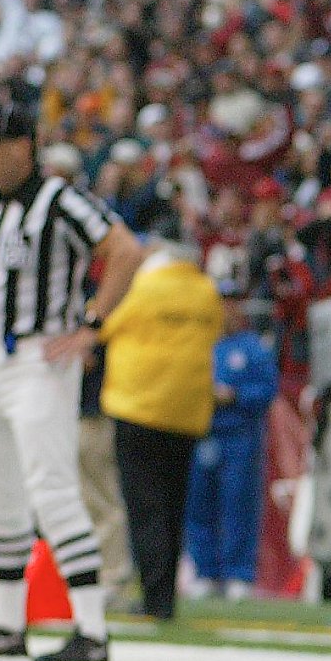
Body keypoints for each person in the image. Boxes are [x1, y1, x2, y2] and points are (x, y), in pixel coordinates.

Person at [0, 87, 146, 661]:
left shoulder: (60, 199)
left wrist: (90, 325)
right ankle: (6, 625)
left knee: (52, 489)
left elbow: (125, 251)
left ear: (22, 147)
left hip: (39, 359)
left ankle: (92, 630)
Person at [97, 241, 224, 621]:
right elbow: (215, 333)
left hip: (139, 406)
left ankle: (153, 598)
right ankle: (165, 596)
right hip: (187, 411)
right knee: (173, 507)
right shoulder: (206, 292)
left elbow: (106, 327)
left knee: (144, 508)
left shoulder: (144, 287)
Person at [186, 296, 279, 602]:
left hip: (240, 436)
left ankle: (239, 574)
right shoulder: (198, 343)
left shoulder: (251, 347)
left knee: (238, 506)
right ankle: (205, 571)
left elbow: (267, 390)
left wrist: (235, 395)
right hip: (202, 433)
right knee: (199, 505)